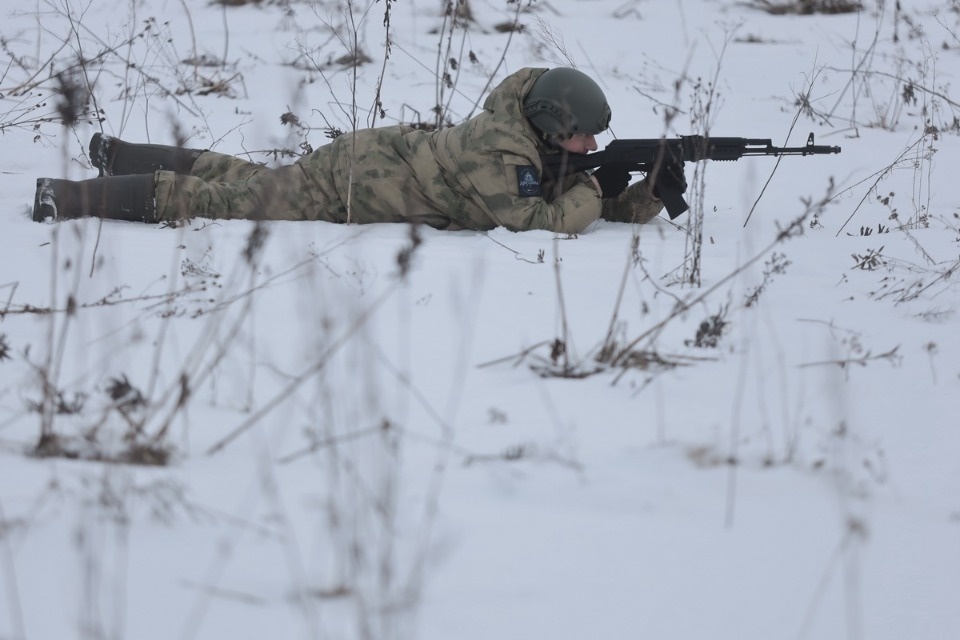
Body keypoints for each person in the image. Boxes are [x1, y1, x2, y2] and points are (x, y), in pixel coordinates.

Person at [32, 67, 684, 232]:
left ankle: (116, 152)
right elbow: (540, 221)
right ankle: (68, 197)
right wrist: (594, 190)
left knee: (252, 178)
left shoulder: (524, 135)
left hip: (373, 158)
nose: (591, 146)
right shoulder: (498, 156)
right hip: (354, 183)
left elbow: (574, 198)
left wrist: (643, 194)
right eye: (581, 137)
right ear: (548, 124)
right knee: (229, 202)